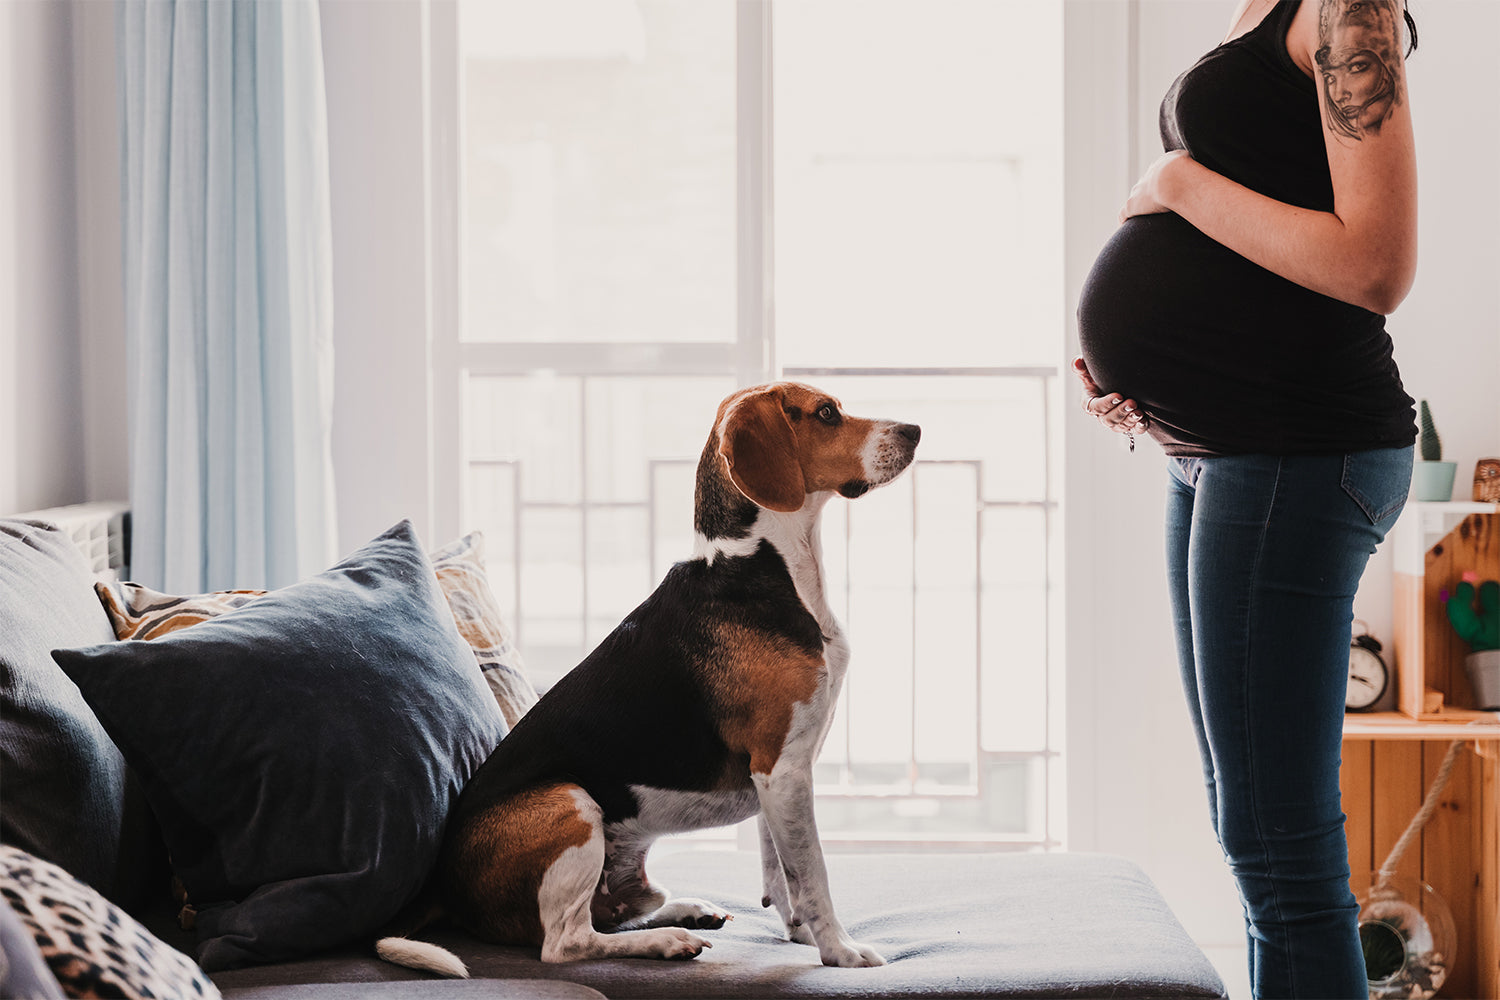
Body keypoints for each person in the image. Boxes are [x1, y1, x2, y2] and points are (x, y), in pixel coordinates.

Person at [1073, 1, 1419, 998]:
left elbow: (1375, 263)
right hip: (1219, 453)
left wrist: (1175, 182)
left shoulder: (1351, 6)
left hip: (1295, 454)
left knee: (1279, 842)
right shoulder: (1260, 7)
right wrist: (1139, 366)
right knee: (1253, 828)